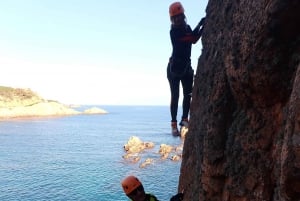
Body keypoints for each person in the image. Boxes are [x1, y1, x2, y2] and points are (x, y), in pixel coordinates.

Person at [167, 2, 205, 135]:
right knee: (175, 95)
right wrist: (201, 25)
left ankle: (184, 119)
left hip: (185, 67)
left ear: (183, 16)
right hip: (174, 68)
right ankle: (173, 124)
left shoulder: (187, 28)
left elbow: (193, 40)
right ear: (173, 20)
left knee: (188, 94)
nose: (177, 20)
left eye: (179, 17)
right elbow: (192, 38)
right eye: (175, 18)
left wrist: (202, 25)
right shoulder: (174, 32)